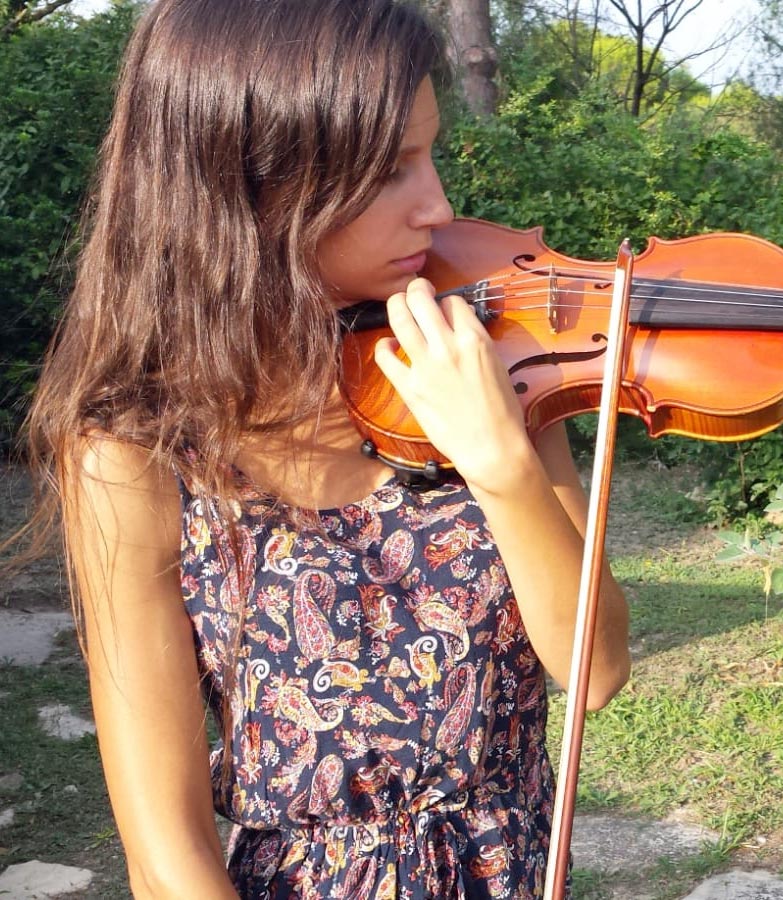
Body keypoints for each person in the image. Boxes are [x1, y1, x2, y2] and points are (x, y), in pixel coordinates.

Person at [21, 0, 631, 896]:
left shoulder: (486, 366)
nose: (439, 207)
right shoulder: (134, 453)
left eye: (430, 156)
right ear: (247, 182)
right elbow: (166, 852)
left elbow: (594, 675)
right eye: (389, 171)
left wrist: (500, 465)